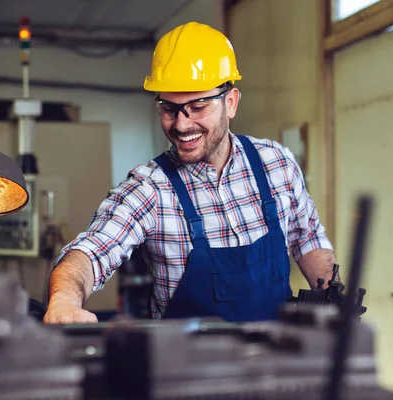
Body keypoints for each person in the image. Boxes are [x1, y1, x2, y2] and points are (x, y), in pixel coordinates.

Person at [43, 21, 337, 324]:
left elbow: (308, 238)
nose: (182, 125)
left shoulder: (276, 163)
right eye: (169, 108)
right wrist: (64, 301)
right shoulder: (150, 189)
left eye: (197, 106)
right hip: (186, 368)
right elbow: (89, 252)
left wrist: (334, 302)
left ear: (231, 103)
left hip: (276, 364)